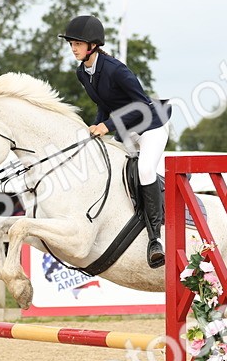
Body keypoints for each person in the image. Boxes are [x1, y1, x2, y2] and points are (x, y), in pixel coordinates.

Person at [60, 14, 170, 268]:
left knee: (144, 169)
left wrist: (107, 126)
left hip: (151, 125)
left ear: (93, 45)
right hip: (126, 130)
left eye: (77, 44)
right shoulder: (83, 73)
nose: (73, 48)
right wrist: (95, 126)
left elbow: (142, 105)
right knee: (115, 167)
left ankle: (155, 239)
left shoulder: (116, 69)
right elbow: (103, 104)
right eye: (71, 44)